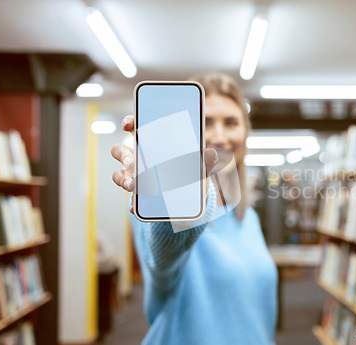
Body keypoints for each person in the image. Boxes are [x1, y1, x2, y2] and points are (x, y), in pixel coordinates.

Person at [110, 73, 278, 345]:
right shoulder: (157, 210)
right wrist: (173, 188)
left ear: (246, 132)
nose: (220, 136)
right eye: (206, 122)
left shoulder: (249, 219)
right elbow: (164, 252)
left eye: (231, 123)